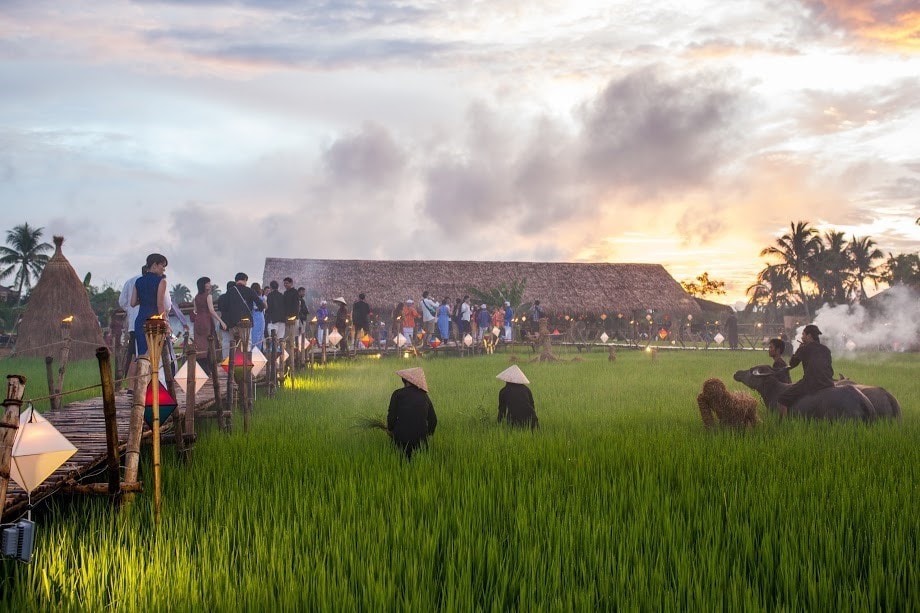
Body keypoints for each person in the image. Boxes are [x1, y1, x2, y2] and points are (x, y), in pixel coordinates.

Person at [778, 324, 834, 417]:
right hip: (828, 382)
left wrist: (799, 349)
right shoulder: (826, 349)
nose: (802, 337)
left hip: (811, 383)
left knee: (782, 398)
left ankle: (782, 423)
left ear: (809, 336)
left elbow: (792, 364)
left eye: (803, 334)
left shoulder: (804, 348)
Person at [387, 367, 437, 459]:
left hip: (401, 436)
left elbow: (391, 416)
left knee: (400, 462)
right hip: (421, 436)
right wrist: (428, 434)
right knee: (420, 463)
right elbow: (433, 420)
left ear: (405, 381)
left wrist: (390, 429)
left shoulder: (397, 394)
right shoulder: (424, 396)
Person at [130, 254, 168, 357]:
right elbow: (160, 305)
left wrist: (143, 300)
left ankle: (143, 373)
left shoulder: (138, 281)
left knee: (143, 356)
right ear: (155, 265)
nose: (164, 269)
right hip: (154, 321)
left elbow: (132, 303)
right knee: (155, 356)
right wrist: (165, 324)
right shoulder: (161, 281)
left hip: (140, 321)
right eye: (163, 266)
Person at [192, 277, 226, 375]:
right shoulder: (208, 296)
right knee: (208, 344)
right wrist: (221, 321)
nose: (210, 284)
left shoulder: (196, 296)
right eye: (208, 283)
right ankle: (208, 369)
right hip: (206, 320)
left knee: (199, 344)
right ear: (203, 285)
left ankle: (202, 368)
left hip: (198, 320)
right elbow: (211, 310)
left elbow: (195, 310)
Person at [222, 272, 262, 351]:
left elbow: (224, 307)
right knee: (247, 343)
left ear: (236, 280)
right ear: (245, 280)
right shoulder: (249, 290)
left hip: (233, 323)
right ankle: (245, 361)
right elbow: (261, 305)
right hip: (246, 323)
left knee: (233, 344)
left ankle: (232, 361)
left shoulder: (229, 291)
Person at [496, 365, 538, 429]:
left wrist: (498, 424)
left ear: (507, 379)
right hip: (531, 417)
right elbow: (532, 405)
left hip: (513, 418)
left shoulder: (504, 391)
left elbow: (502, 410)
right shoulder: (526, 389)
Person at [250, 282, 266, 350]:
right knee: (260, 335)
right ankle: (258, 352)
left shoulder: (250, 298)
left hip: (253, 317)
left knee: (253, 335)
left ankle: (252, 350)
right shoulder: (261, 298)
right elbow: (266, 306)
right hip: (260, 318)